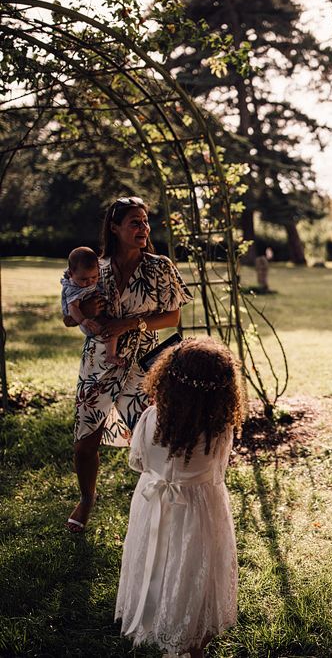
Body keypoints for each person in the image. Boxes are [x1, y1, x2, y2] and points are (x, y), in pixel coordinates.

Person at [65, 196, 192, 533]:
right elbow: (68, 314)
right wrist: (85, 311)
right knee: (84, 442)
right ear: (115, 227)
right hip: (99, 364)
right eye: (134, 222)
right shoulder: (96, 268)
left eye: (145, 221)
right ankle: (88, 498)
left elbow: (173, 316)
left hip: (142, 365)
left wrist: (129, 324)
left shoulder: (159, 267)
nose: (143, 228)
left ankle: (165, 506)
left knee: (155, 439)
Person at [115, 337, 242, 657]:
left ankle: (162, 624)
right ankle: (190, 639)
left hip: (152, 504)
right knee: (191, 571)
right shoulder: (219, 428)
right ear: (224, 392)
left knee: (155, 565)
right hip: (199, 511)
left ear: (167, 378)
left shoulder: (150, 418)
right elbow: (218, 471)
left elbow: (139, 463)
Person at [61, 246, 123, 366]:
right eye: (84, 279)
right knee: (109, 330)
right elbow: (72, 307)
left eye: (94, 277)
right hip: (88, 322)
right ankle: (110, 356)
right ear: (70, 273)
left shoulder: (97, 273)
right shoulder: (73, 288)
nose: (90, 282)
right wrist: (83, 320)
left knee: (111, 327)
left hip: (97, 316)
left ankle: (111, 354)